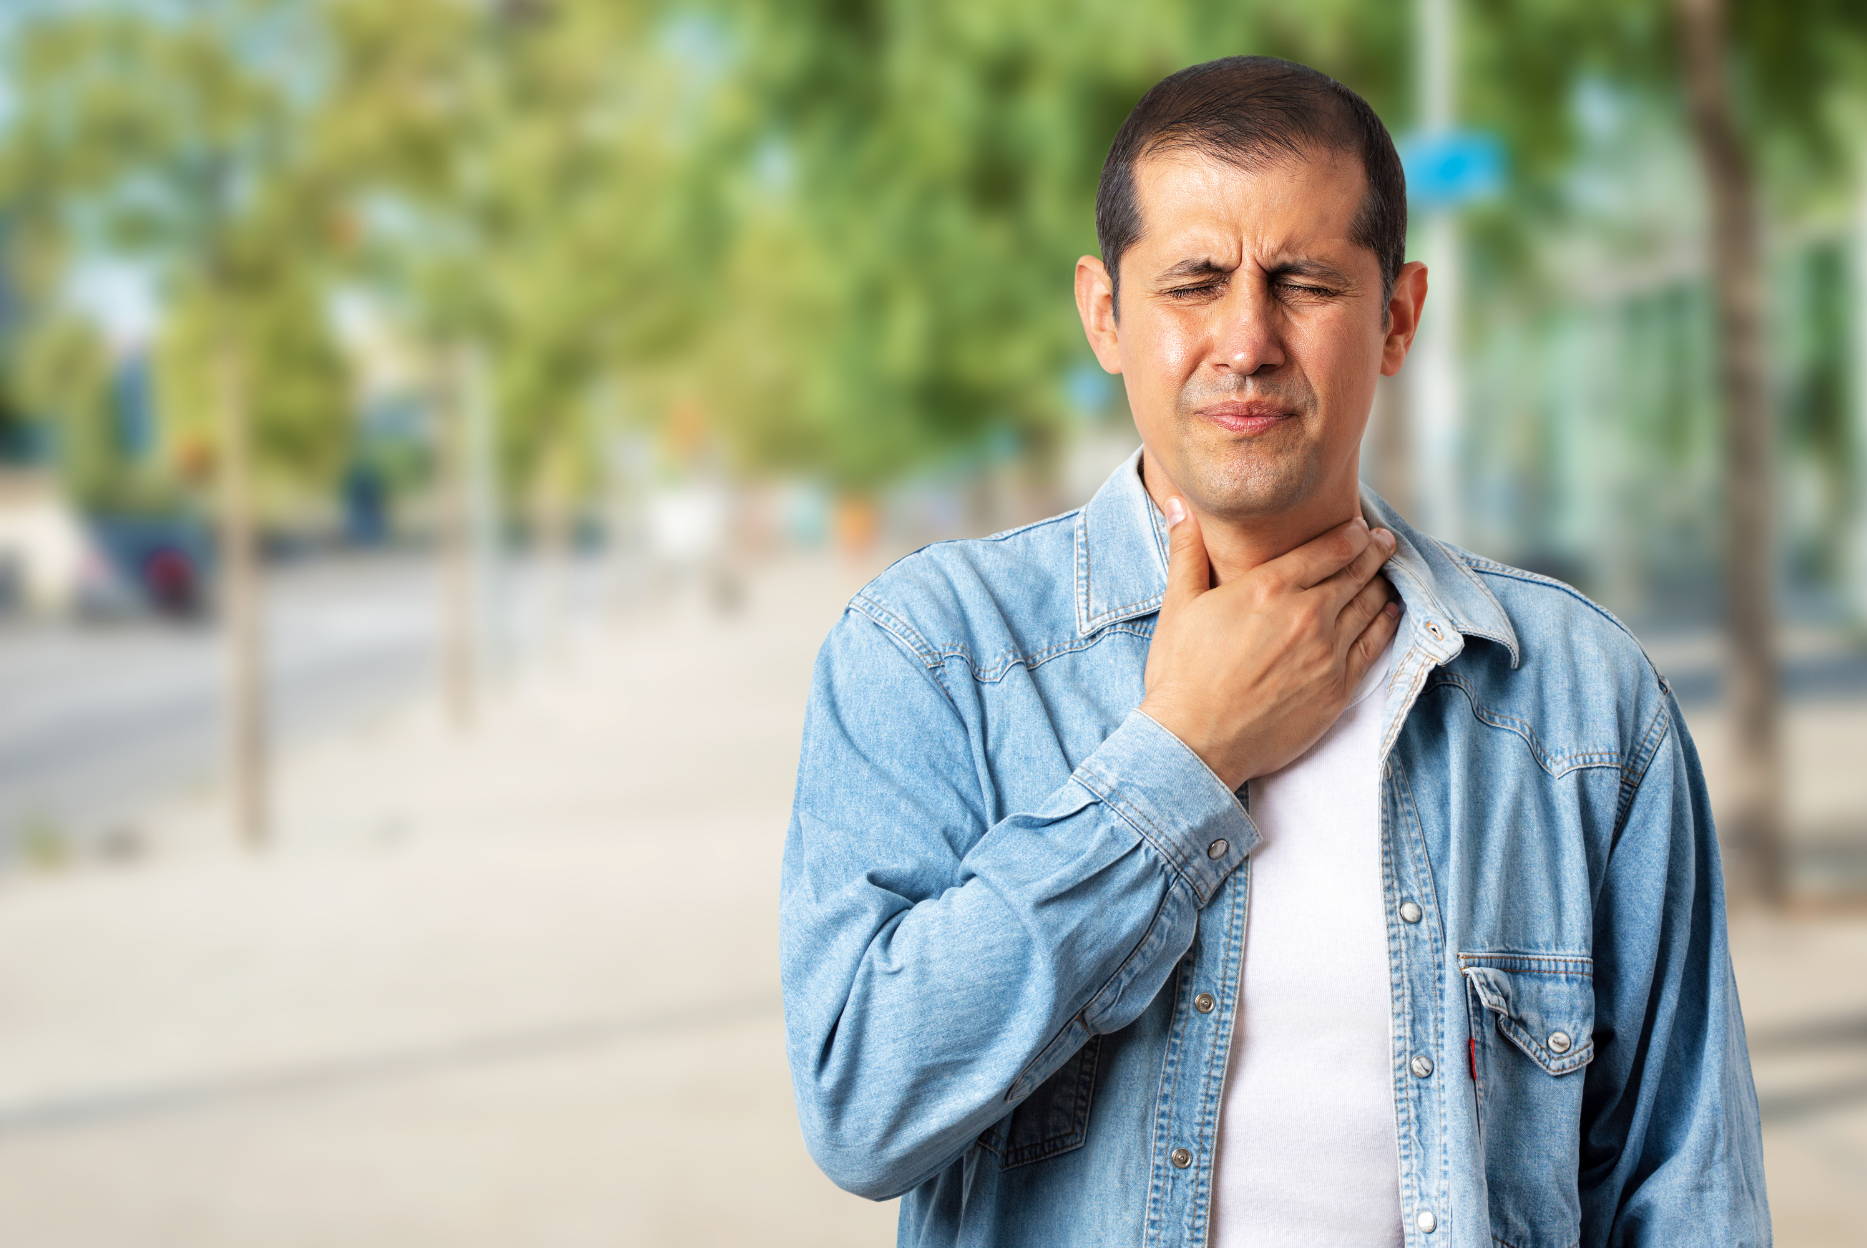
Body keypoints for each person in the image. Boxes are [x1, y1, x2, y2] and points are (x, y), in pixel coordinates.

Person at [779, 56, 1769, 1248]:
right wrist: (1178, 758)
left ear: (1397, 316)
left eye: (1302, 283)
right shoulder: (934, 650)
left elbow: (1686, 1188)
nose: (1246, 341)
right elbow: (862, 1107)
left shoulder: (1577, 701)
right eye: (1194, 282)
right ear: (1105, 314)